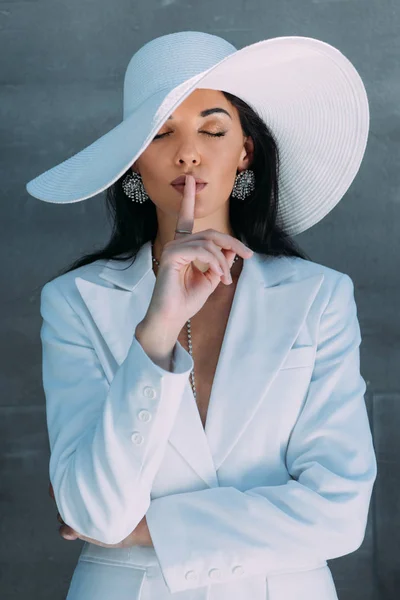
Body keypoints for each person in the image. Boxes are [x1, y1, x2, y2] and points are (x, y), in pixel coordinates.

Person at [26, 31, 377, 600]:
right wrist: (157, 331)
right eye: (161, 133)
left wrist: (150, 531)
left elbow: (339, 512)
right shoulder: (75, 300)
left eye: (212, 129)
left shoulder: (319, 296)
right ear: (134, 161)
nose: (188, 152)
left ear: (245, 151)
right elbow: (97, 511)